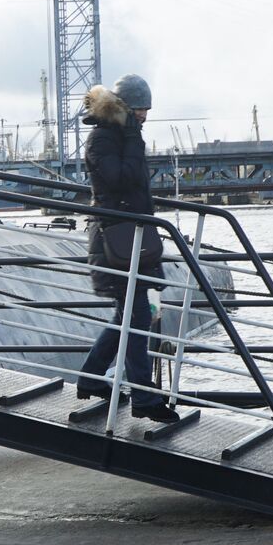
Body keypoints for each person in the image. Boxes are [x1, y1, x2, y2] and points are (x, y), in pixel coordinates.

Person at [75, 74, 178, 422]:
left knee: (129, 316)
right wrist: (133, 139)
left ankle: (91, 376)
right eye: (141, 110)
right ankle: (145, 399)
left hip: (133, 238)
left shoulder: (120, 136)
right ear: (126, 109)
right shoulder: (103, 139)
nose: (145, 117)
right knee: (136, 318)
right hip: (115, 241)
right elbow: (122, 179)